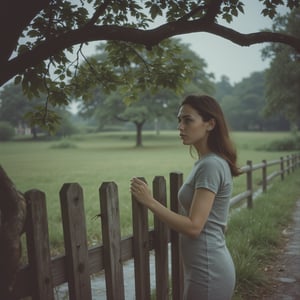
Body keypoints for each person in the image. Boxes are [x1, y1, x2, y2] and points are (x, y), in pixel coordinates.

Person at [130, 94, 241, 300]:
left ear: (210, 124)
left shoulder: (211, 165)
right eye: (179, 120)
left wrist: (149, 201)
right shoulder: (207, 162)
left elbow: (194, 226)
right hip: (203, 268)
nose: (180, 126)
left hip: (209, 271)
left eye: (188, 120)